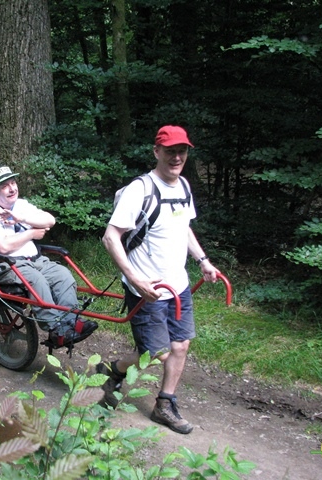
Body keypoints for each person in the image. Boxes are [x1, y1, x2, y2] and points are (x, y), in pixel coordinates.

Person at [100, 125, 219, 434]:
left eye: (182, 151)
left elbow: (185, 228)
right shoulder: (139, 190)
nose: (177, 157)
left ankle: (164, 405)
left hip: (177, 285)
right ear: (157, 152)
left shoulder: (183, 187)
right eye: (170, 151)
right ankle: (114, 371)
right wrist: (134, 278)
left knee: (180, 347)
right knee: (155, 353)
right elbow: (111, 238)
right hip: (148, 288)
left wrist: (202, 260)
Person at [0, 165, 98, 346]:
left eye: (13, 182)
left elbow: (50, 220)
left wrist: (21, 219)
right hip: (5, 264)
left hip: (35, 260)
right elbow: (3, 247)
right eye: (4, 186)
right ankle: (57, 331)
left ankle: (72, 322)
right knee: (36, 281)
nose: (12, 188)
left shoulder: (21, 205)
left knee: (63, 276)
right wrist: (31, 234)